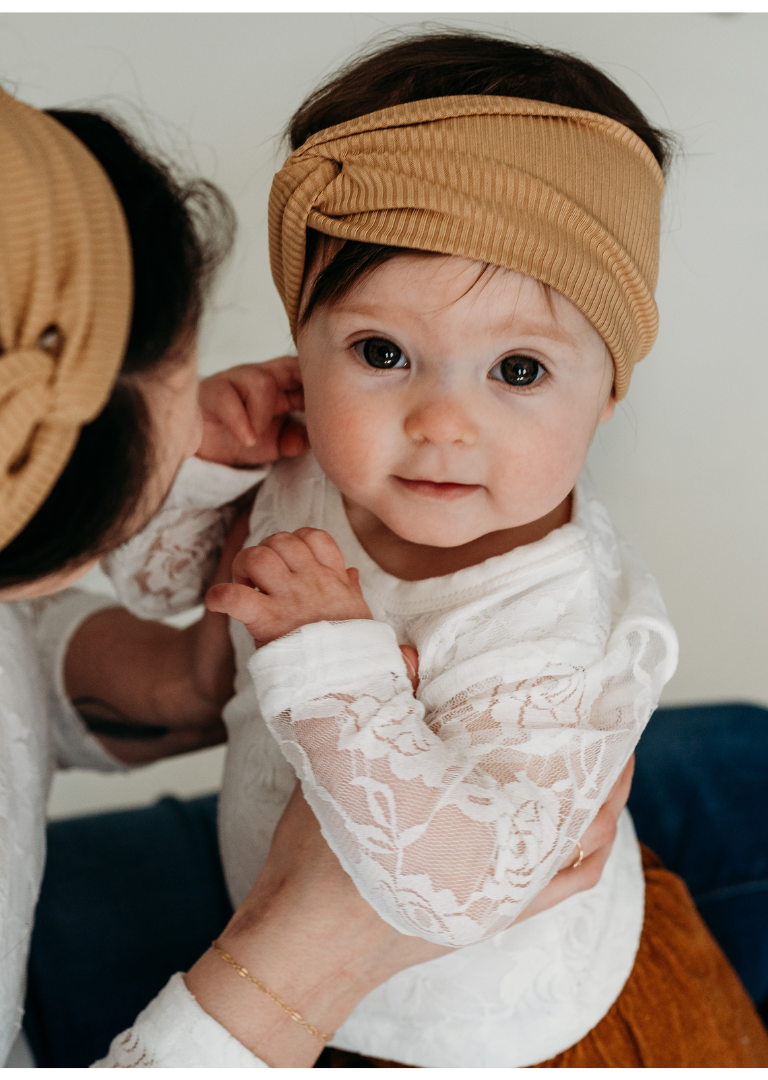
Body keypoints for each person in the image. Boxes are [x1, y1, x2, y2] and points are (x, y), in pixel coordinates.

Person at [0, 24, 623, 1070]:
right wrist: (303, 960)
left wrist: (183, 673)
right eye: (377, 354)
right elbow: (430, 883)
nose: (218, 419)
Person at [100, 32, 768, 1069]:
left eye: (517, 368)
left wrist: (333, 659)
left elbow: (455, 889)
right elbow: (157, 584)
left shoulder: (560, 633)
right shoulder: (305, 465)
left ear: (610, 385)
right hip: (305, 994)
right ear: (304, 339)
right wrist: (197, 466)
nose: (441, 422)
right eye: (380, 353)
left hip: (524, 1036)